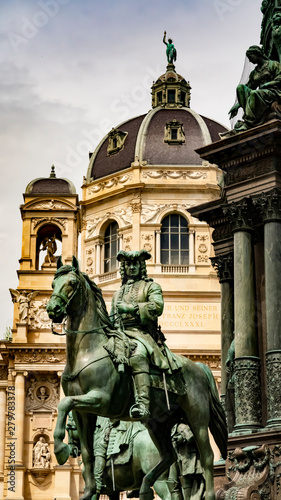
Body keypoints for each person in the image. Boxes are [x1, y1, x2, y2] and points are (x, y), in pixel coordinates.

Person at [111, 250, 181, 420]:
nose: (132, 267)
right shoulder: (117, 293)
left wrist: (131, 309)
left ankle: (143, 404)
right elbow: (111, 316)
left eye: (136, 264)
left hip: (140, 333)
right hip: (119, 334)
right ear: (124, 267)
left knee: (137, 355)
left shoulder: (151, 286)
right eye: (128, 264)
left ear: (141, 266)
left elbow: (157, 307)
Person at [229, 45, 281, 132]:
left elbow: (280, 78)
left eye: (250, 57)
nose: (249, 60)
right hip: (263, 93)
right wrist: (237, 106)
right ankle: (251, 118)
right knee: (240, 88)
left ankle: (249, 122)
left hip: (275, 91)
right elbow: (249, 87)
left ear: (257, 54)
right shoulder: (255, 72)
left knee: (254, 93)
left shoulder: (274, 64)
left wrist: (268, 84)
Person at [171, 422, 204, 500]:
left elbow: (191, 436)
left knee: (191, 483)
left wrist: (182, 436)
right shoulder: (176, 426)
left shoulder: (183, 425)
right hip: (180, 457)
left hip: (190, 458)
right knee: (175, 483)